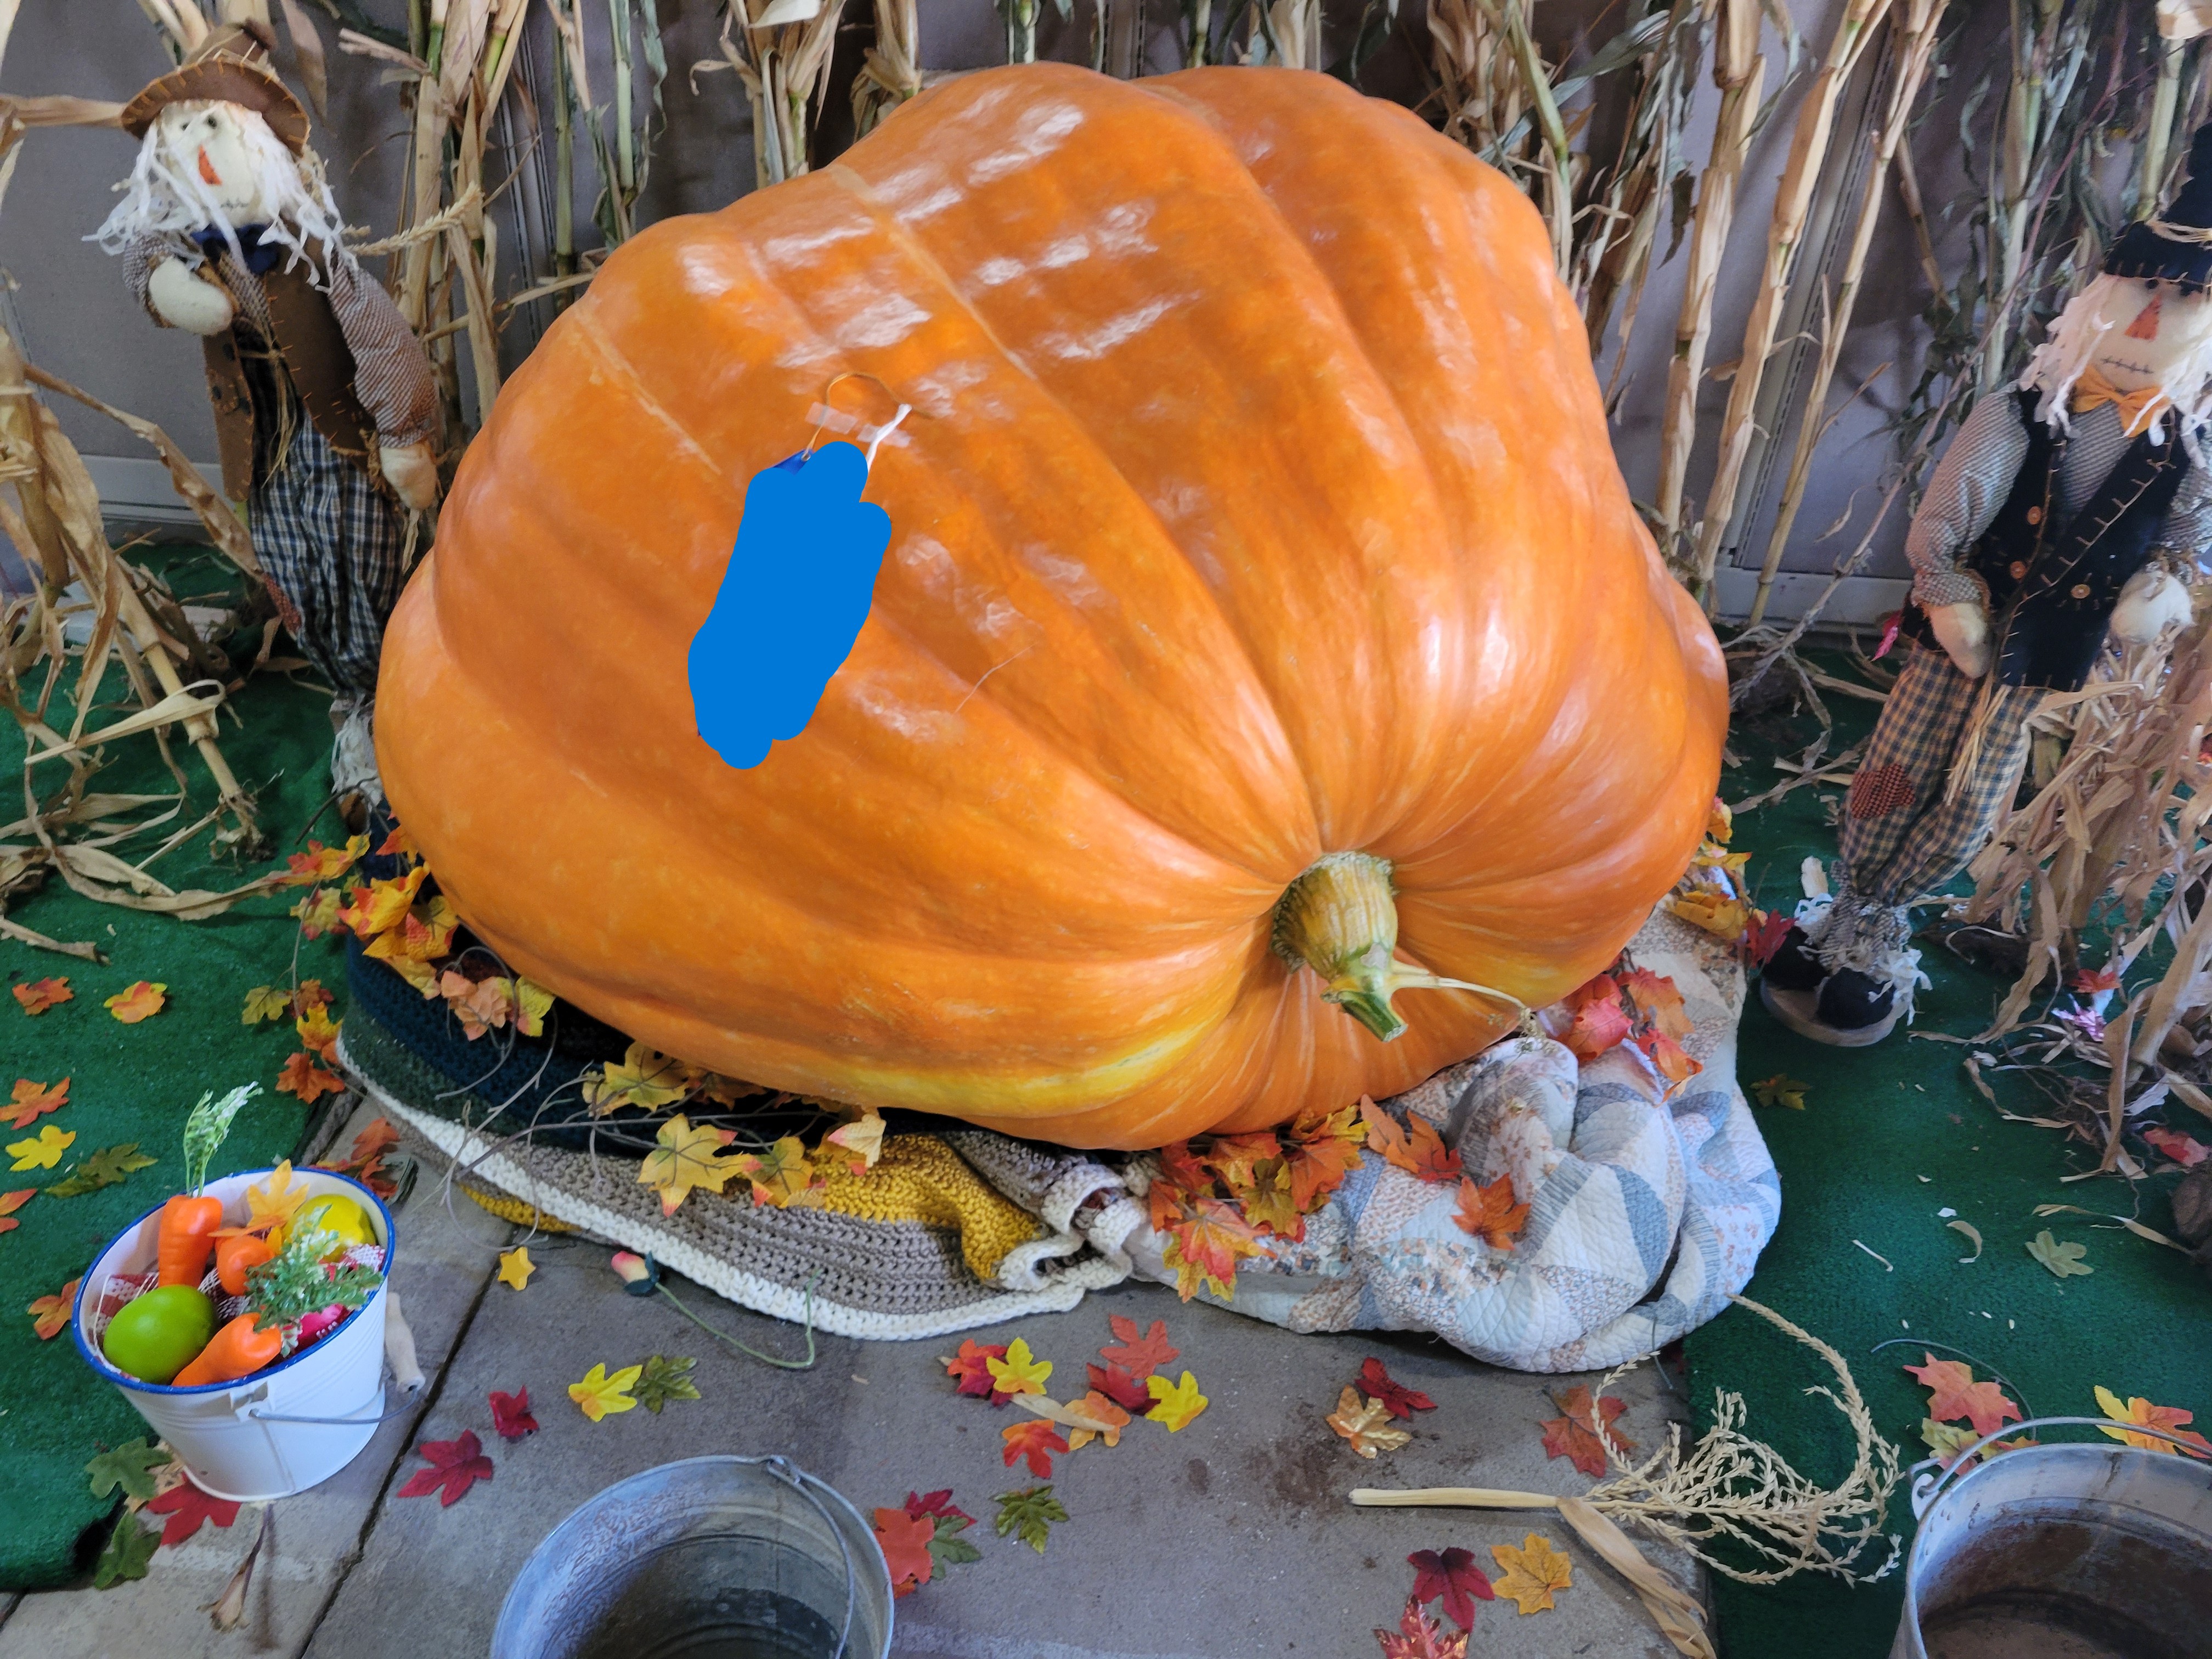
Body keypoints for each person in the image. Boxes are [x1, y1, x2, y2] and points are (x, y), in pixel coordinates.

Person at [1763, 125, 2212, 1046]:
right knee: (1894, 769)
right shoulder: (2021, 410)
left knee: (1972, 798)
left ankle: (1880, 936)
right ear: (2102, 294)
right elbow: (1955, 498)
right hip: (1963, 617)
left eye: (2182, 302)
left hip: (2048, 645)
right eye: (2140, 292)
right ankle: (1844, 912)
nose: (2145, 323)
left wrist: (2163, 580)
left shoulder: (2188, 449)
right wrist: (1945, 585)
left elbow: (2186, 536)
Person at [92, 23, 439, 809]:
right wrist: (169, 288)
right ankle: (356, 700)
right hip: (270, 452)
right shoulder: (187, 240)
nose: (195, 149)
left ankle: (407, 695)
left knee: (368, 557)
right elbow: (139, 259)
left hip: (341, 442)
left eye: (210, 126)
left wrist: (405, 435)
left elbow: (384, 341)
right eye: (177, 137)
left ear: (258, 141)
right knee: (296, 565)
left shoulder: (315, 254)